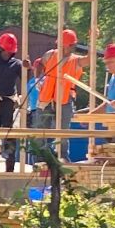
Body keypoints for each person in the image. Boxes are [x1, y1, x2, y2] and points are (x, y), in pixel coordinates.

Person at [34, 29, 93, 159]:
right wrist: (38, 78)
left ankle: (63, 158)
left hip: (65, 99)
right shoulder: (50, 55)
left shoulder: (75, 60)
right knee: (40, 131)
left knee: (63, 133)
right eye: (72, 44)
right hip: (46, 99)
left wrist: (92, 40)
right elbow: (39, 64)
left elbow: (90, 60)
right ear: (65, 45)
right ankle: (40, 160)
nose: (73, 47)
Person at [0, 33, 31, 172]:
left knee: (9, 136)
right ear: (2, 48)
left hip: (9, 102)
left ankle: (10, 168)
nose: (10, 52)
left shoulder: (17, 64)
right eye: (8, 49)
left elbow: (27, 79)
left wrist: (28, 69)